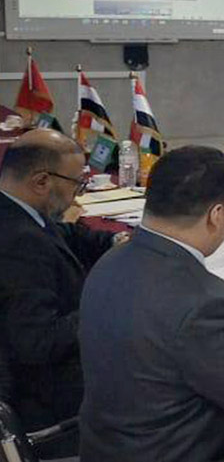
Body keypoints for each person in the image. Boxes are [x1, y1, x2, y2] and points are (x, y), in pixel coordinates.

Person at [79, 146, 224, 462]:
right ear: (216, 215)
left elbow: (168, 332)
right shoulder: (206, 301)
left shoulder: (110, 261)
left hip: (112, 446)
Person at [0, 129, 128, 452]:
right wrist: (104, 304)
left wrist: (114, 240)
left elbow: (62, 235)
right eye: (76, 184)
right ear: (42, 181)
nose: (77, 195)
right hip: (51, 404)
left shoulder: (18, 214)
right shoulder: (19, 244)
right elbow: (37, 343)